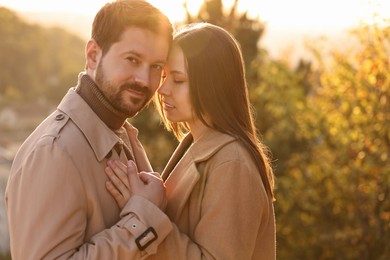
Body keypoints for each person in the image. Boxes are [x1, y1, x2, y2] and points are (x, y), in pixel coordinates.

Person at [5, 0, 174, 259]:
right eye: (132, 59)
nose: (144, 79)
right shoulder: (55, 152)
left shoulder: (121, 132)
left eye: (156, 67)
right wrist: (143, 218)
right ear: (94, 55)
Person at [105, 23, 276, 259]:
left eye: (178, 80)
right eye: (164, 76)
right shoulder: (196, 145)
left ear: (212, 85)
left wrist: (145, 213)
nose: (162, 89)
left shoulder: (231, 164)